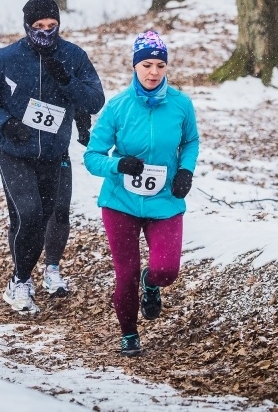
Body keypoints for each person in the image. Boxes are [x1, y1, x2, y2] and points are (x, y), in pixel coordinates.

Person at [0, 0, 105, 314]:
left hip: (52, 154)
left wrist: (66, 79)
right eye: (39, 26)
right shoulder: (6, 58)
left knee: (42, 219)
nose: (45, 32)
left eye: (52, 26)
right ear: (27, 25)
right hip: (14, 150)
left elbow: (94, 101)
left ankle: (27, 274)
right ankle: (19, 280)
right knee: (28, 214)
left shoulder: (73, 56)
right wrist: (5, 122)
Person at [84, 31, 199, 357]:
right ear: (135, 66)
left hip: (165, 201)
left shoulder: (180, 104)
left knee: (166, 270)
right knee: (126, 273)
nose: (153, 72)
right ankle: (129, 333)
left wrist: (186, 171)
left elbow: (190, 141)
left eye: (160, 65)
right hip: (121, 203)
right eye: (146, 64)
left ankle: (153, 283)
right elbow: (92, 156)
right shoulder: (118, 107)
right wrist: (119, 165)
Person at [0, 110, 91, 297]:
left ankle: (52, 269)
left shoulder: (60, 79)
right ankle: (22, 276)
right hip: (18, 152)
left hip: (56, 150)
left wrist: (82, 124)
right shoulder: (18, 80)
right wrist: (1, 127)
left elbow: (79, 93)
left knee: (60, 209)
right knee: (25, 215)